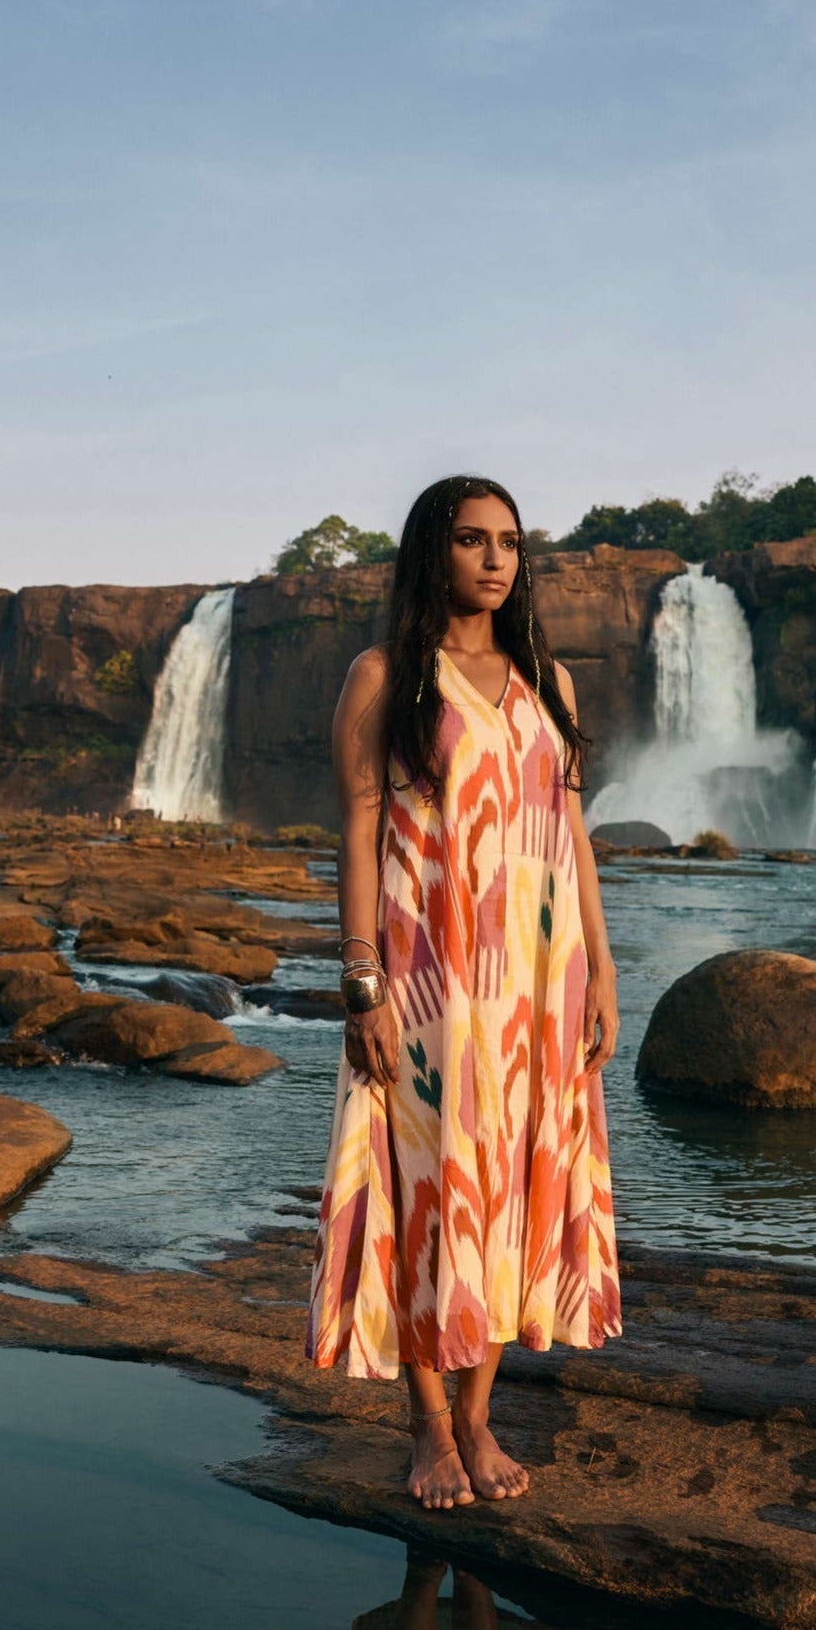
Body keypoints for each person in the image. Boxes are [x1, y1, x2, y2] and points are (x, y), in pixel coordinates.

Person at [304, 473, 622, 1510]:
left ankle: (483, 1416)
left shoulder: (550, 684)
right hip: (432, 973)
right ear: (432, 550)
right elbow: (360, 826)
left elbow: (570, 834)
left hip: (540, 976)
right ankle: (432, 1426)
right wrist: (362, 982)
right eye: (473, 539)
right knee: (432, 1184)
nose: (495, 559)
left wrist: (604, 967)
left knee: (520, 1182)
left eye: (510, 543)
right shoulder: (386, 674)